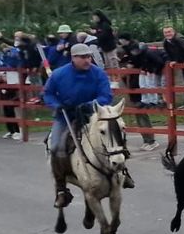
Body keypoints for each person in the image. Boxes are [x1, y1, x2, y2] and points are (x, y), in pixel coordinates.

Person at [41, 43, 133, 188]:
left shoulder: (98, 73)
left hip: (91, 114)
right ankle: (61, 186)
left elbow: (106, 95)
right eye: (83, 57)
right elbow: (47, 94)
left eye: (89, 56)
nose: (87, 60)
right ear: (73, 58)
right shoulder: (59, 74)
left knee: (115, 137)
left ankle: (122, 172)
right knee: (56, 146)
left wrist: (91, 104)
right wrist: (57, 106)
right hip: (66, 115)